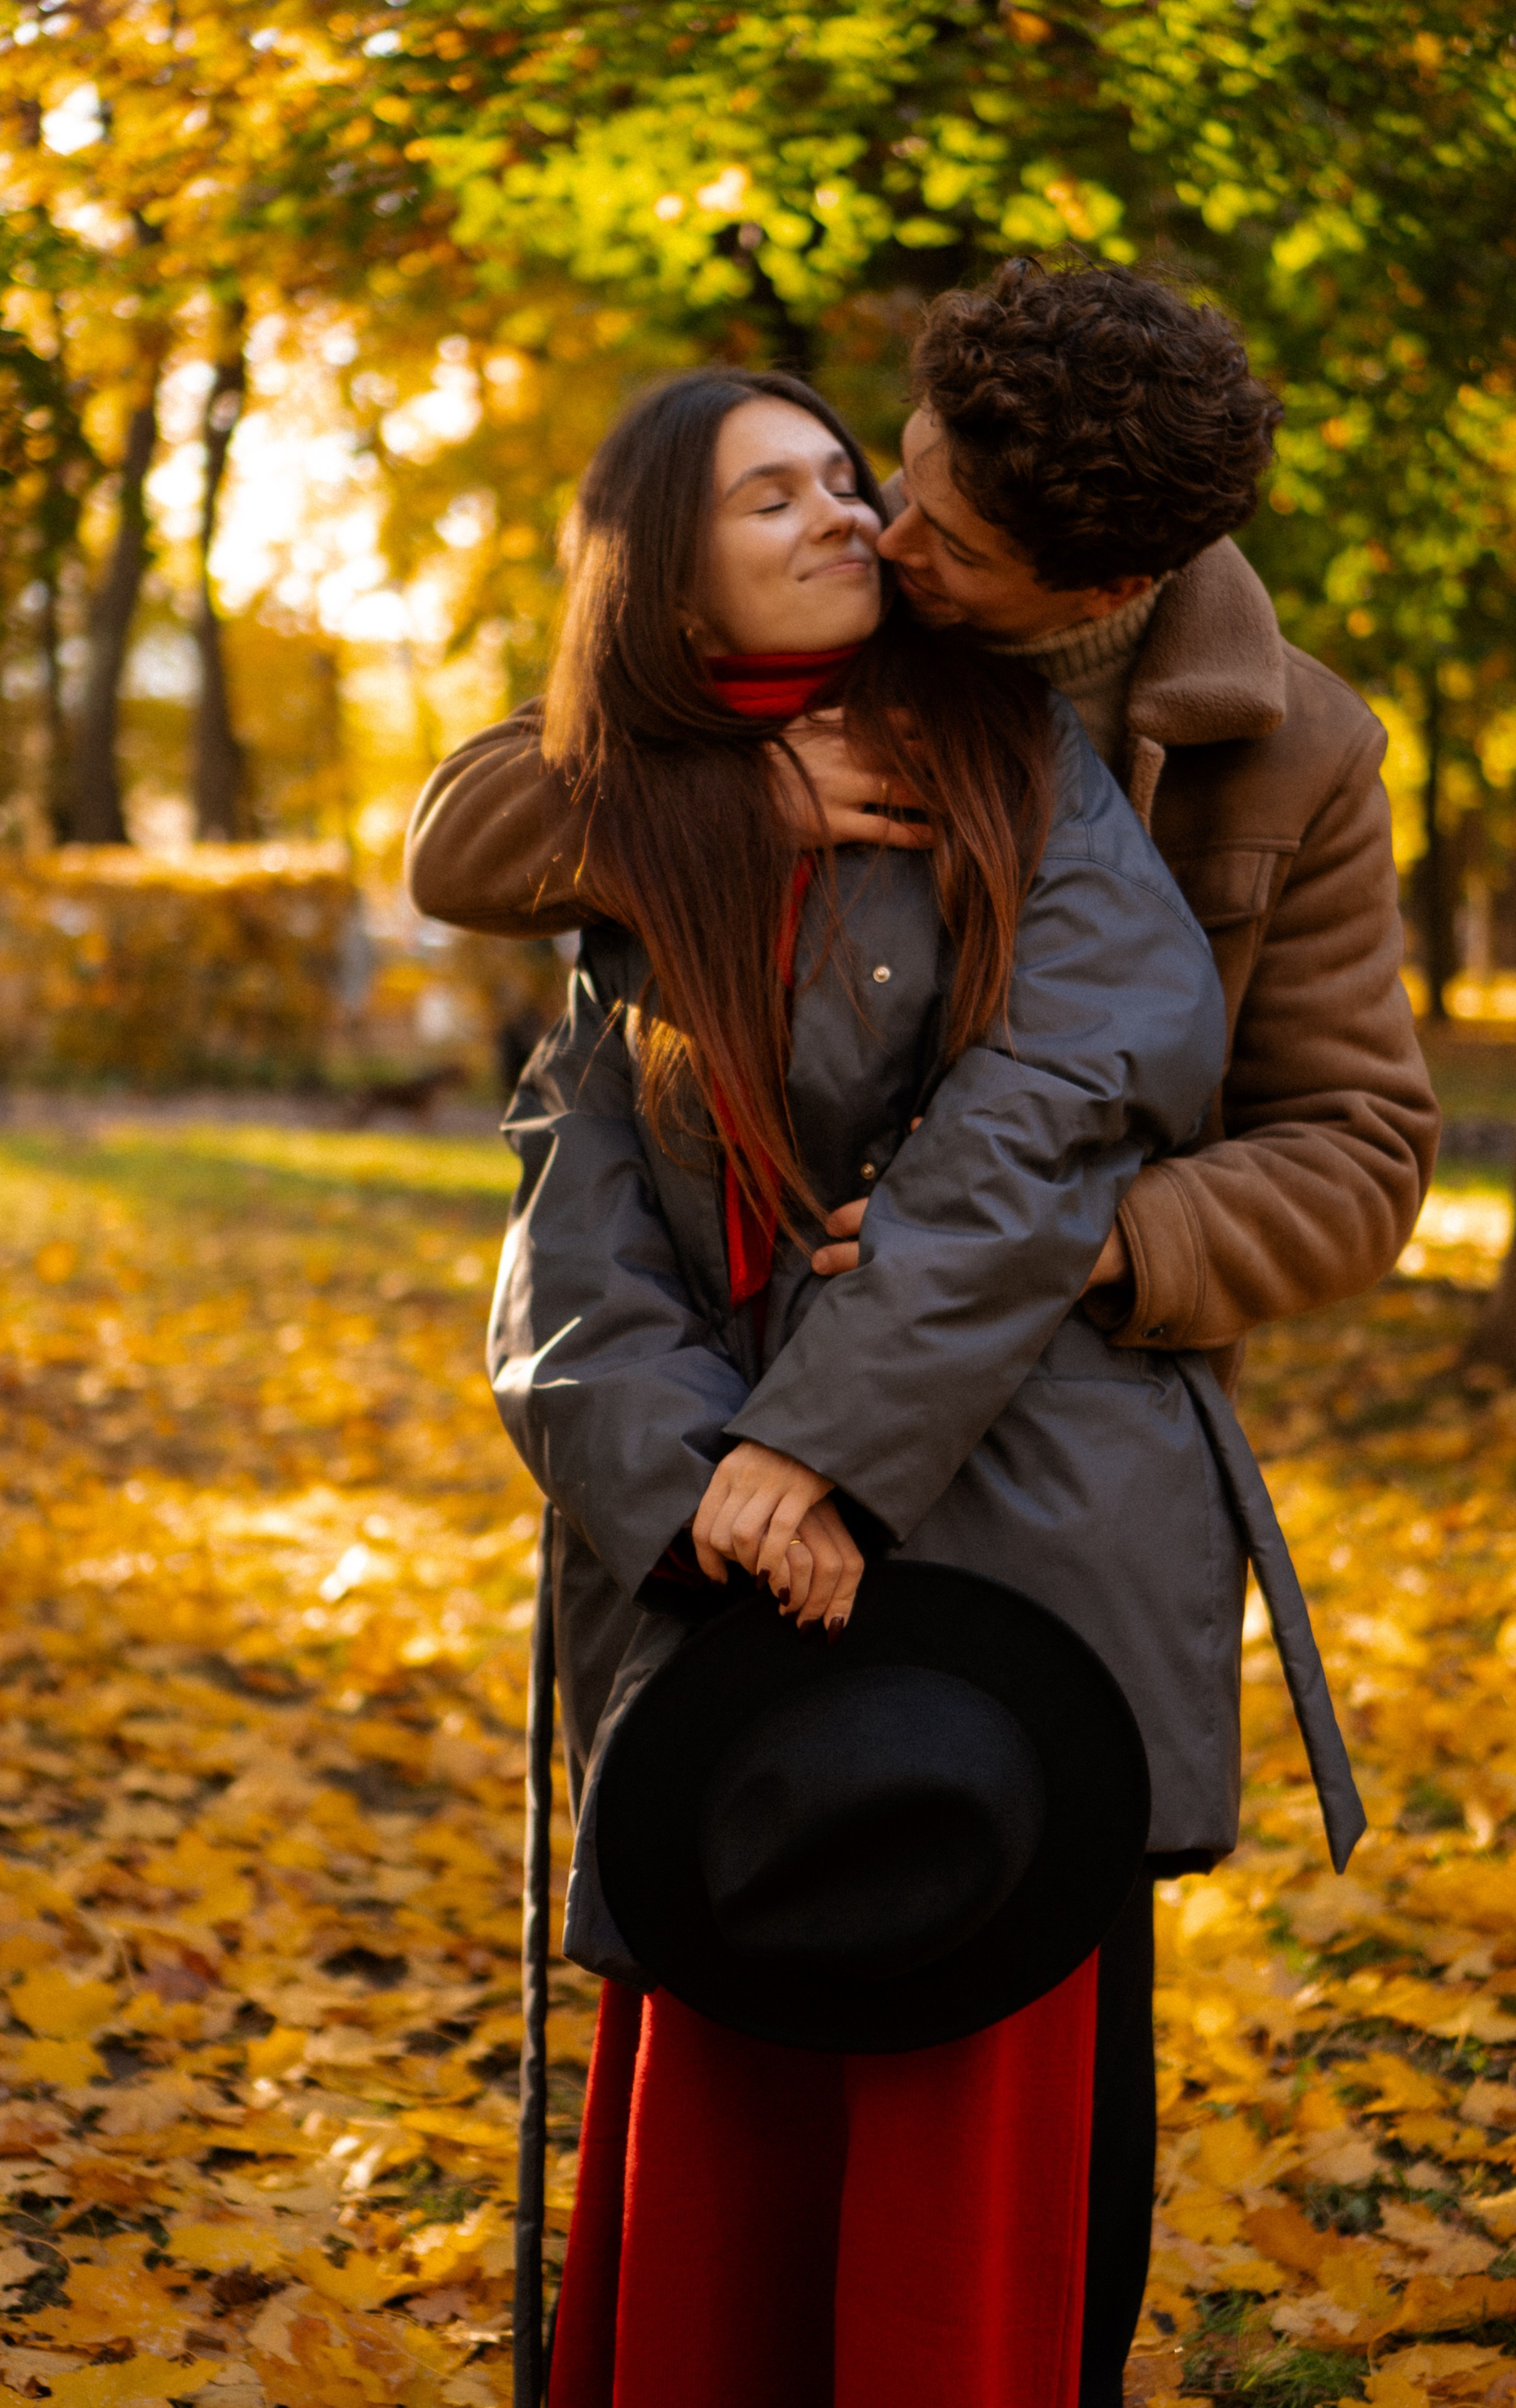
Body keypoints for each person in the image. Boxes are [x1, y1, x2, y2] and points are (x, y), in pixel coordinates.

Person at [463, 364, 1359, 2405]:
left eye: (849, 481)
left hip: (1003, 1556)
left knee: (963, 2157)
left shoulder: (1020, 761)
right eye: (777, 497)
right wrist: (692, 1495)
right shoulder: (651, 827)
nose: (855, 517)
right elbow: (572, 1234)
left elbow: (1046, 1126)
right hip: (714, 1586)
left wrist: (815, 1456)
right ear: (667, 588)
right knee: (731, 2123)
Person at [406, 261, 1438, 1398]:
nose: (888, 539)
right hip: (742, 1348)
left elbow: (1359, 1152)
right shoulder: (833, 584)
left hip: (1066, 1400)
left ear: (1109, 589)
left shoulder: (1299, 753)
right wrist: (740, 801)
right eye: (905, 475)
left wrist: (1078, 1243)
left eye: (953, 544)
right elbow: (464, 838)